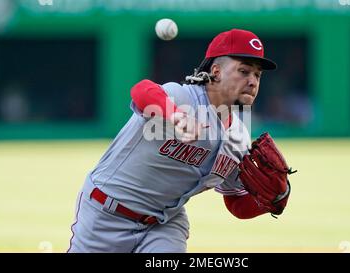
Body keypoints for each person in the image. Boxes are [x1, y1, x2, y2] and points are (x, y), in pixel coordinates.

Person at [68, 29, 281, 253]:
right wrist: (176, 116)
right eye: (244, 71)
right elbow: (142, 91)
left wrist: (271, 200)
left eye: (257, 75)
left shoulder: (238, 136)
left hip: (164, 225)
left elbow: (236, 201)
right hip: (106, 214)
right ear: (216, 71)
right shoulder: (182, 97)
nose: (252, 81)